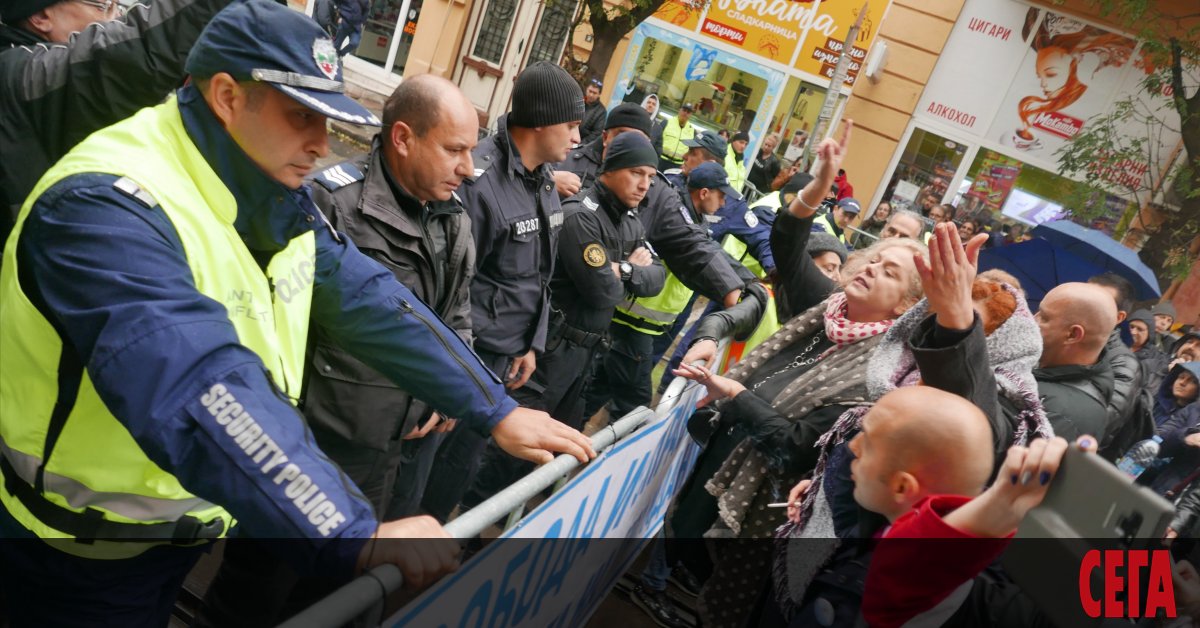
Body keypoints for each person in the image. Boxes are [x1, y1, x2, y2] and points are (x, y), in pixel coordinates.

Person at [0, 4, 595, 625]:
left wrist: (492, 405)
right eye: (300, 116)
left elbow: (373, 301)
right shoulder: (105, 205)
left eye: (328, 119)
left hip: (175, 526)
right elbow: (195, 382)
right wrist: (346, 528)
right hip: (71, 556)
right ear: (228, 96)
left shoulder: (255, 184)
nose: (321, 143)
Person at [302, 74, 480, 521]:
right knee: (265, 582)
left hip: (399, 445)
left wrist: (449, 391)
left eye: (471, 150)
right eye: (454, 149)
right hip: (316, 443)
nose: (469, 167)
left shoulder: (452, 218)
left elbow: (455, 314)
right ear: (402, 138)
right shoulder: (332, 202)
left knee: (347, 586)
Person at [464, 132, 666, 507]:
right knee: (510, 453)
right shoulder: (581, 216)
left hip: (585, 356)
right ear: (612, 169)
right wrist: (629, 271)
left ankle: (507, 521)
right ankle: (474, 521)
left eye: (651, 177)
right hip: (551, 353)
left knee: (556, 447)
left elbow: (657, 278)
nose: (644, 184)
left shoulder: (629, 221)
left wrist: (619, 268)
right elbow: (603, 291)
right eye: (637, 172)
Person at [421, 60, 584, 522]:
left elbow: (538, 276)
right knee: (424, 476)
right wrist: (455, 377)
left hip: (503, 362)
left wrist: (531, 342)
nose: (577, 138)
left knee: (457, 471)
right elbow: (454, 287)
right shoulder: (481, 180)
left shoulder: (544, 181)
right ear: (539, 121)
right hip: (465, 360)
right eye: (571, 125)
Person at [0, 0, 231, 243]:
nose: (117, 17)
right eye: (103, 7)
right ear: (41, 18)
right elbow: (129, 53)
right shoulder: (18, 73)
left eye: (117, 5)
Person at [1032, 282, 1120, 440]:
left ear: (1072, 335)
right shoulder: (1043, 366)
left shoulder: (1063, 414)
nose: (1033, 319)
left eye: (1044, 317)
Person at [1087, 272, 1152, 460]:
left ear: (1119, 317)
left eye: (1097, 302)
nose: (1085, 304)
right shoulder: (1056, 335)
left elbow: (1099, 424)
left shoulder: (1124, 365)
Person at [552, 102, 653, 197]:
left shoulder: (651, 187)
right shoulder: (565, 161)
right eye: (621, 136)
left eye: (637, 139)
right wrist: (549, 183)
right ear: (605, 137)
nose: (627, 144)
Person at [1127, 309, 1170, 396]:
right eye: (1131, 326)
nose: (1133, 332)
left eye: (1140, 329)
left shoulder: (1156, 359)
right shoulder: (1111, 343)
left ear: (1149, 334)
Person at [658, 102, 695, 171]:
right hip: (661, 160)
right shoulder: (667, 122)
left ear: (691, 115)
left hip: (678, 166)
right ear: (679, 110)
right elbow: (656, 139)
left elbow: (691, 151)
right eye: (684, 110)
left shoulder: (692, 130)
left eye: (688, 112)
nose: (685, 113)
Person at [578, 77, 607, 145]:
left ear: (599, 94)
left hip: (581, 144)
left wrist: (580, 145)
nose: (591, 95)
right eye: (590, 91)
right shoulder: (578, 101)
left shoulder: (601, 112)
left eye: (594, 93)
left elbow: (596, 133)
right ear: (586, 90)